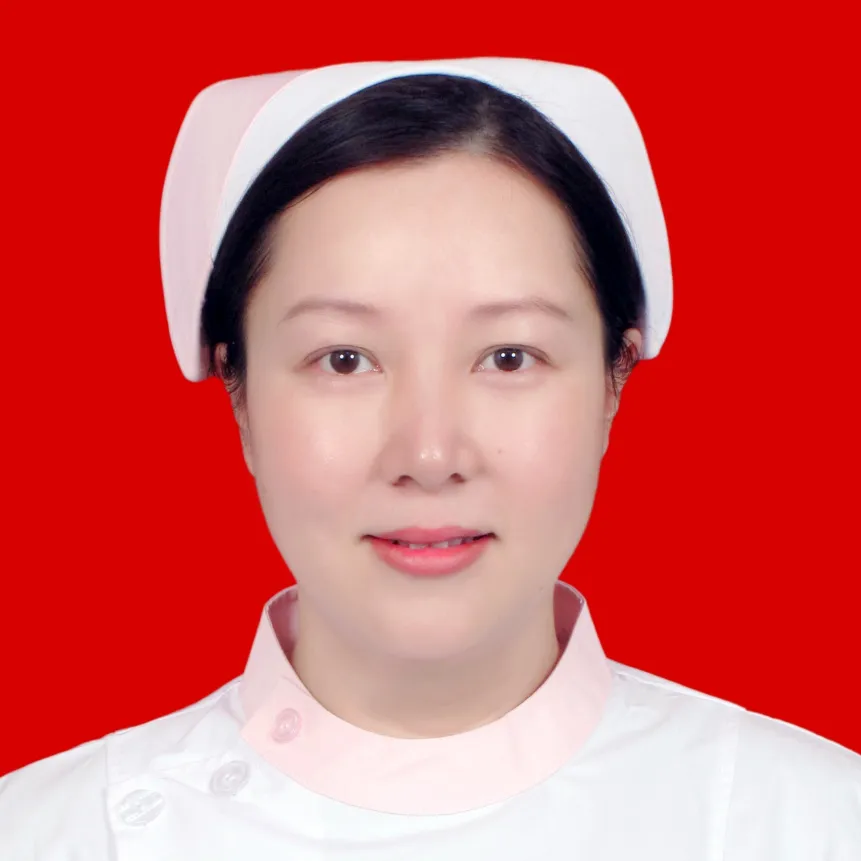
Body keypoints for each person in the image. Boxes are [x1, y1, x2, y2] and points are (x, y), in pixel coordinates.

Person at [1, 57, 858, 860]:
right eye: (344, 359)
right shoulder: (49, 832)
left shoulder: (811, 822)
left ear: (613, 380)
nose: (429, 452)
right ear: (239, 393)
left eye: (509, 357)